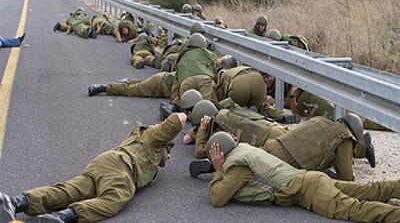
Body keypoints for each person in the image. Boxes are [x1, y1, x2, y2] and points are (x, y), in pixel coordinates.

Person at [0, 113, 187, 223]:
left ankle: (16, 201)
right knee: (114, 200)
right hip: (122, 169)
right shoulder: (153, 138)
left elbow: (161, 159)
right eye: (168, 151)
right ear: (163, 144)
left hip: (104, 163)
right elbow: (177, 120)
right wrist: (187, 111)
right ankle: (63, 217)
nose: (169, 157)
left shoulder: (143, 141)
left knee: (69, 190)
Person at [204, 132, 400, 222]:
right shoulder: (244, 149)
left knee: (354, 210)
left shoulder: (237, 166)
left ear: (218, 153)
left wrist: (219, 169)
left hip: (308, 190)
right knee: (367, 190)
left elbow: (217, 198)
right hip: (310, 179)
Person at [189, 103, 375, 181]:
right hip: (286, 160)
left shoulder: (324, 122)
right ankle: (218, 166)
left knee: (250, 162)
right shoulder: (343, 138)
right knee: (251, 174)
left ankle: (218, 164)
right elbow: (347, 181)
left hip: (276, 144)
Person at [88, 71, 176, 98]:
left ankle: (127, 81)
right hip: (160, 85)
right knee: (131, 90)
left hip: (162, 78)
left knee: (139, 83)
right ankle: (104, 87)